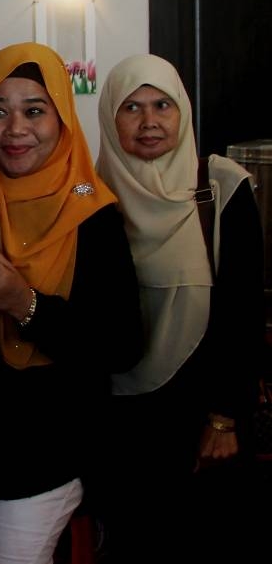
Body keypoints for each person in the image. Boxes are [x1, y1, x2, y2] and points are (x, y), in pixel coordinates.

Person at [0, 42, 142, 564]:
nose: (15, 129)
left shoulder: (94, 214)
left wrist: (27, 305)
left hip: (41, 456)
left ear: (62, 118)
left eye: (35, 111)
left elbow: (122, 343)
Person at [96, 53, 265, 563]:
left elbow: (243, 311)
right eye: (132, 107)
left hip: (201, 421)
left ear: (183, 113)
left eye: (162, 105)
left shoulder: (220, 187)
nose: (149, 122)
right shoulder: (90, 193)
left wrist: (225, 417)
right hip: (121, 423)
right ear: (110, 117)